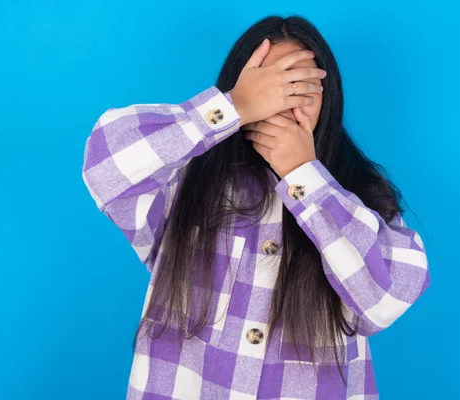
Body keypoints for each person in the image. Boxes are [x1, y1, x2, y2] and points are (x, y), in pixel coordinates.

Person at [82, 14, 429, 400]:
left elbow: (388, 300)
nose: (282, 102)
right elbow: (105, 164)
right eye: (269, 85)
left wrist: (304, 175)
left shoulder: (358, 193)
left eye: (299, 86)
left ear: (326, 98)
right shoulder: (185, 178)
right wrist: (231, 107)